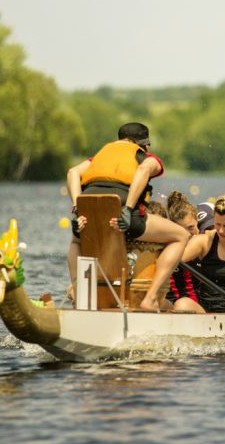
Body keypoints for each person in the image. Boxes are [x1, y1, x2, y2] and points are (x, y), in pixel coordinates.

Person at [66, 122, 189, 312]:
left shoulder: (98, 157)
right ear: (143, 144)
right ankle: (151, 299)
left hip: (88, 215)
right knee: (180, 236)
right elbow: (143, 171)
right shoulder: (146, 157)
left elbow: (72, 172)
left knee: (76, 241)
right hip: (122, 214)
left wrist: (77, 208)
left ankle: (78, 291)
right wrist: (128, 209)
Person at [166, 190, 201, 306]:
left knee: (182, 304)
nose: (187, 234)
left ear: (197, 221)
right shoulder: (166, 247)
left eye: (191, 227)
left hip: (199, 308)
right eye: (181, 230)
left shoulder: (206, 243)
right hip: (171, 306)